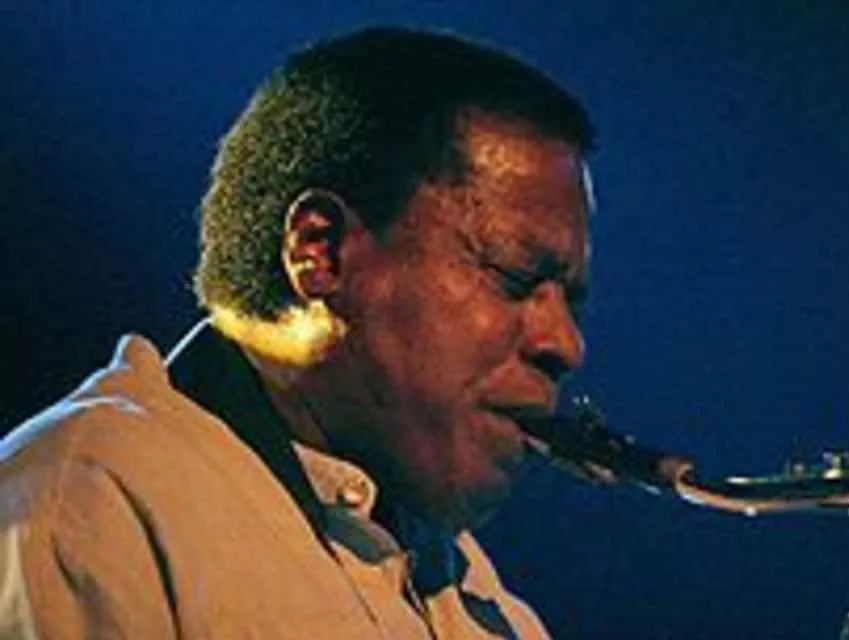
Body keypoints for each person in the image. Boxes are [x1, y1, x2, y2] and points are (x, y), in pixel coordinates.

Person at [0, 26, 594, 639]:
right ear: (321, 249)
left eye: (571, 301)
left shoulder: (489, 606)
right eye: (514, 275)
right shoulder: (87, 509)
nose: (565, 343)